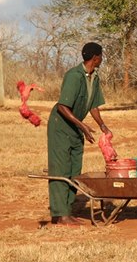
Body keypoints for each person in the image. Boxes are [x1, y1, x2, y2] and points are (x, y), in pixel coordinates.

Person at [47, 42, 115, 226]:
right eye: (101, 56)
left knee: (74, 170)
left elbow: (93, 105)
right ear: (95, 58)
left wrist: (102, 126)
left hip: (75, 126)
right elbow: (62, 107)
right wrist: (83, 127)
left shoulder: (95, 77)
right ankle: (59, 214)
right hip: (61, 127)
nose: (102, 59)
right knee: (61, 169)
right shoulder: (74, 76)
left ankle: (66, 211)